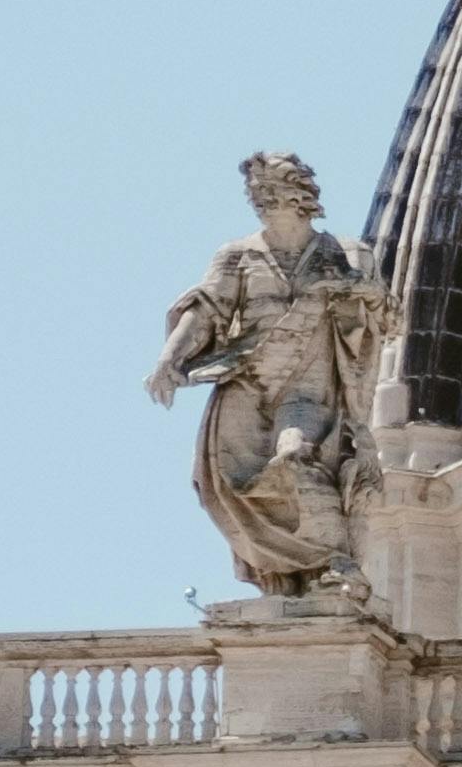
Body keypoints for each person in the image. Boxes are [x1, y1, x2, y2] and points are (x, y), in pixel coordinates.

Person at [151, 153, 388, 600]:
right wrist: (169, 359)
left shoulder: (347, 255)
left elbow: (385, 313)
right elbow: (205, 312)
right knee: (228, 483)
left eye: (270, 190)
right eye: (255, 192)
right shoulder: (237, 255)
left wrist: (353, 289)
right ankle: (279, 575)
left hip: (309, 389)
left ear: (299, 196)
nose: (260, 200)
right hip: (246, 382)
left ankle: (334, 559)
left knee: (296, 456)